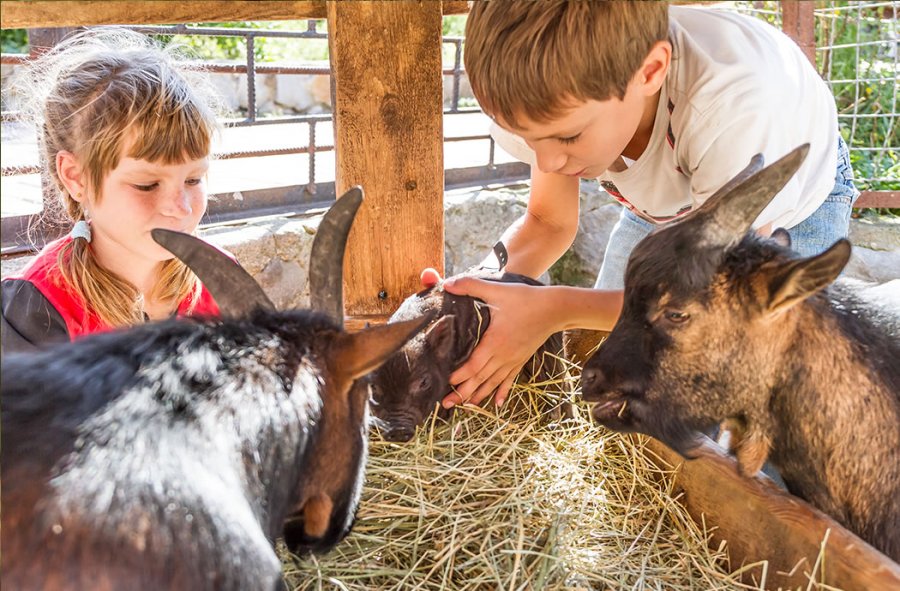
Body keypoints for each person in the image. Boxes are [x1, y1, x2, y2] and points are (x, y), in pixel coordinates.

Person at [430, 1, 859, 410]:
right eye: (527, 139)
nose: (547, 163)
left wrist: (551, 310)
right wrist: (478, 290)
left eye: (566, 138)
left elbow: (715, 301)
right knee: (618, 379)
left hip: (789, 208)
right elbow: (546, 222)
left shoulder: (734, 109)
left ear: (650, 71)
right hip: (664, 200)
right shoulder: (552, 96)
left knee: (775, 397)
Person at [1, 29, 223, 354]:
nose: (182, 207)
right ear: (76, 177)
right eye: (147, 184)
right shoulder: (35, 311)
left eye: (193, 179)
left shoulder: (220, 279)